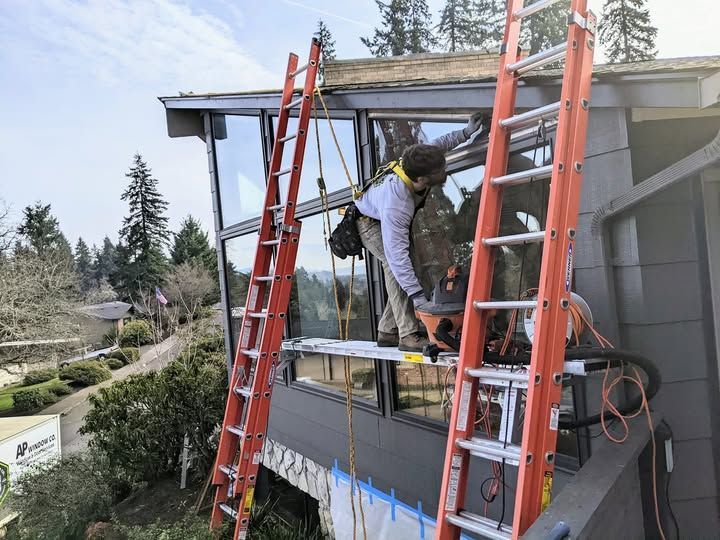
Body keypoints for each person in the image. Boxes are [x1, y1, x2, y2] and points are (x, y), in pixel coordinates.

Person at [354, 113, 487, 352]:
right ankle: (408, 335)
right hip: (369, 224)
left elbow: (441, 143)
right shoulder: (397, 203)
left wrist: (466, 133)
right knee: (398, 269)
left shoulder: (418, 161)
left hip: (378, 216)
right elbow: (397, 257)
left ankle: (388, 330)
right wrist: (419, 299)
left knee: (406, 269)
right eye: (440, 171)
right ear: (423, 179)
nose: (444, 171)